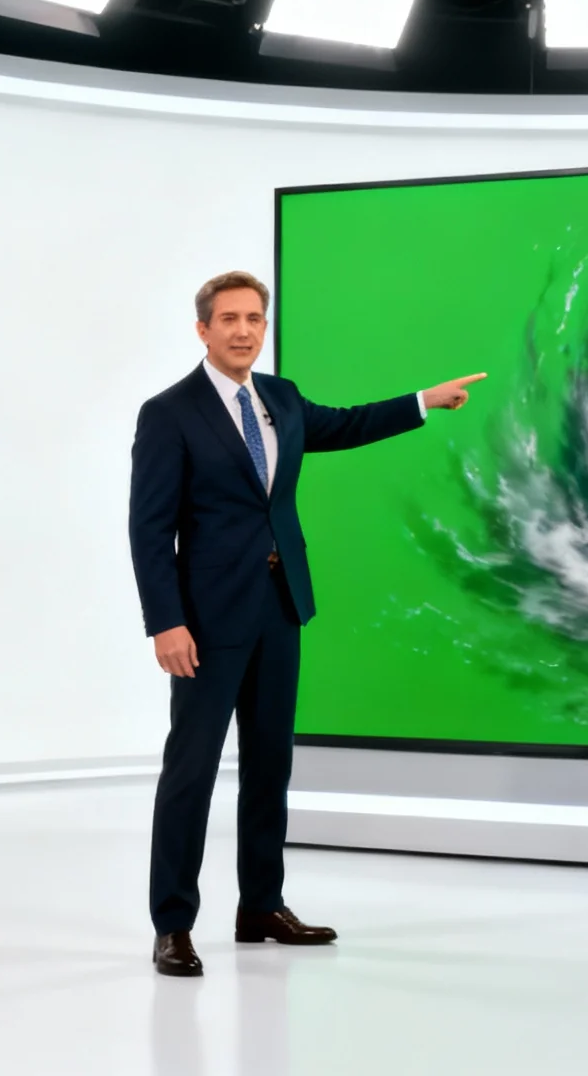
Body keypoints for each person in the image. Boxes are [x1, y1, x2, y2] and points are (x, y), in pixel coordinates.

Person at [128, 270, 484, 978]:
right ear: (203, 329)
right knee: (190, 773)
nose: (242, 330)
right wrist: (166, 623)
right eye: (227, 319)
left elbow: (346, 425)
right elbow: (148, 528)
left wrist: (422, 402)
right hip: (206, 622)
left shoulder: (281, 399)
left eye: (253, 319)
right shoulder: (169, 413)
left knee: (270, 767)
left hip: (280, 607)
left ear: (264, 327)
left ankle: (261, 904)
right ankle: (173, 924)